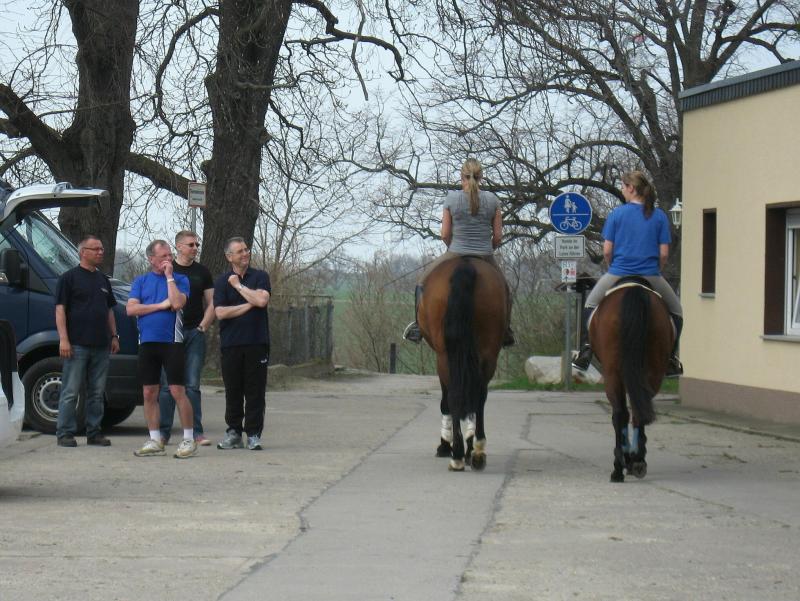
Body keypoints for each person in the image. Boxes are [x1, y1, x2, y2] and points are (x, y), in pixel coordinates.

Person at [572, 170, 683, 377]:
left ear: (631, 188)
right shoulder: (659, 216)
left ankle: (585, 350)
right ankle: (671, 359)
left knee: (590, 305)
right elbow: (664, 253)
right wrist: (656, 270)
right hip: (650, 275)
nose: (622, 190)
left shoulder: (617, 214)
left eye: (623, 187)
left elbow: (607, 251)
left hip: (618, 273)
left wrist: (613, 266)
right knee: (676, 311)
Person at [403, 158, 514, 345]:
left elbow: (445, 234)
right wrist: (488, 249)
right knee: (505, 289)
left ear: (462, 177)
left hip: (455, 251)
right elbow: (497, 237)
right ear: (481, 177)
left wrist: (452, 247)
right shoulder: (493, 200)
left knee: (422, 283)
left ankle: (417, 327)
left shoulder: (452, 199)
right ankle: (506, 330)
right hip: (485, 254)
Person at [126, 240, 197, 459]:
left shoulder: (180, 280)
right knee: (149, 392)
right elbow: (131, 309)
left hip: (171, 342)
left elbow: (176, 303)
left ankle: (188, 439)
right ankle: (155, 439)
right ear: (151, 259)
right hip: (147, 342)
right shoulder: (141, 281)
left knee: (177, 391)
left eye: (169, 255)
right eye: (163, 256)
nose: (168, 259)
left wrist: (169, 277)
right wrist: (159, 306)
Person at [55, 235, 119, 447]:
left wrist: (114, 336)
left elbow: (109, 310)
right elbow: (60, 310)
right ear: (83, 252)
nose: (100, 252)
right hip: (76, 345)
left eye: (101, 249)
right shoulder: (68, 278)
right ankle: (65, 433)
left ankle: (94, 432)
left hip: (101, 345)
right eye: (95, 249)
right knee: (71, 391)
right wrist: (64, 339)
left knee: (97, 393)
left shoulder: (103, 280)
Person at [213, 237, 271, 451]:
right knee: (233, 390)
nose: (245, 254)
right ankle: (234, 432)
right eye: (240, 251)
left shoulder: (260, 277)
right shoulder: (222, 281)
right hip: (231, 344)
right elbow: (220, 312)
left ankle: (253, 434)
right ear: (230, 257)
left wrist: (238, 286)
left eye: (246, 249)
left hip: (257, 342)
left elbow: (262, 300)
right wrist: (250, 303)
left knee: (255, 391)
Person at [158, 231, 215, 447]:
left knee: (192, 385)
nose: (195, 248)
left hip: (194, 333)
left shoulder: (202, 272)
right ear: (179, 246)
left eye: (197, 245)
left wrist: (203, 326)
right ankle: (163, 433)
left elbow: (212, 302)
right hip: (171, 334)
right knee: (167, 385)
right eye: (191, 245)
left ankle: (196, 432)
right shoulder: (167, 270)